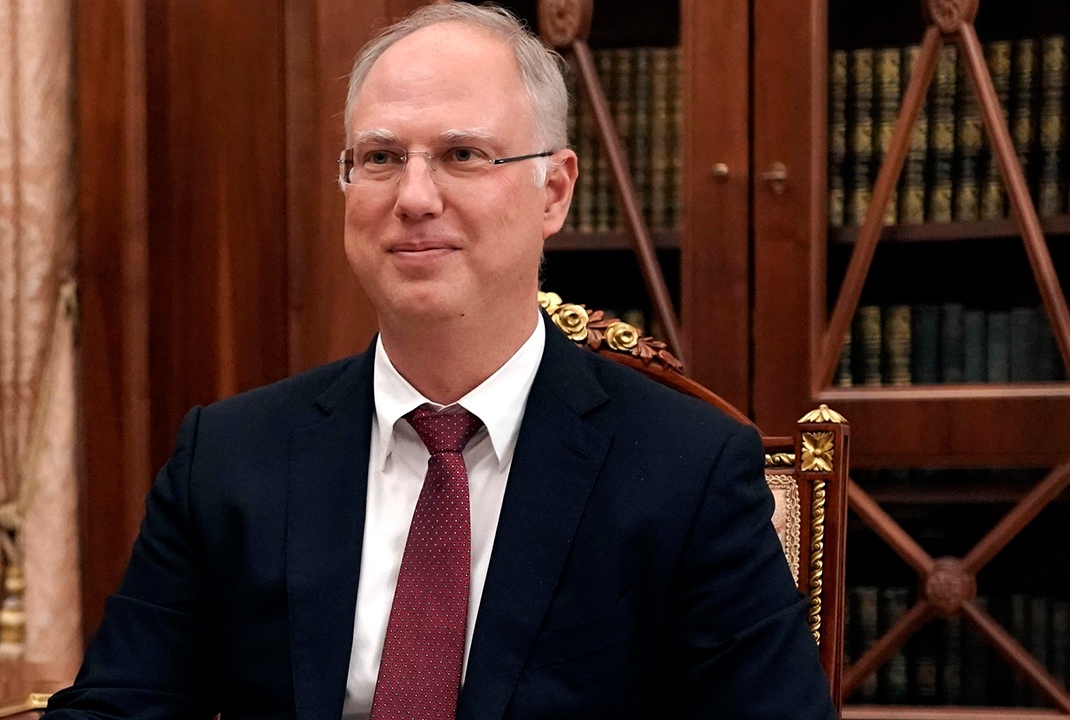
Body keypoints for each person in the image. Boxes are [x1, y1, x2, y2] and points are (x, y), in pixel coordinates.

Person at [45, 4, 835, 719]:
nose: (414, 197)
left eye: (462, 154)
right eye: (381, 157)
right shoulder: (228, 458)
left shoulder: (685, 471)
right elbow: (119, 706)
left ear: (554, 191)